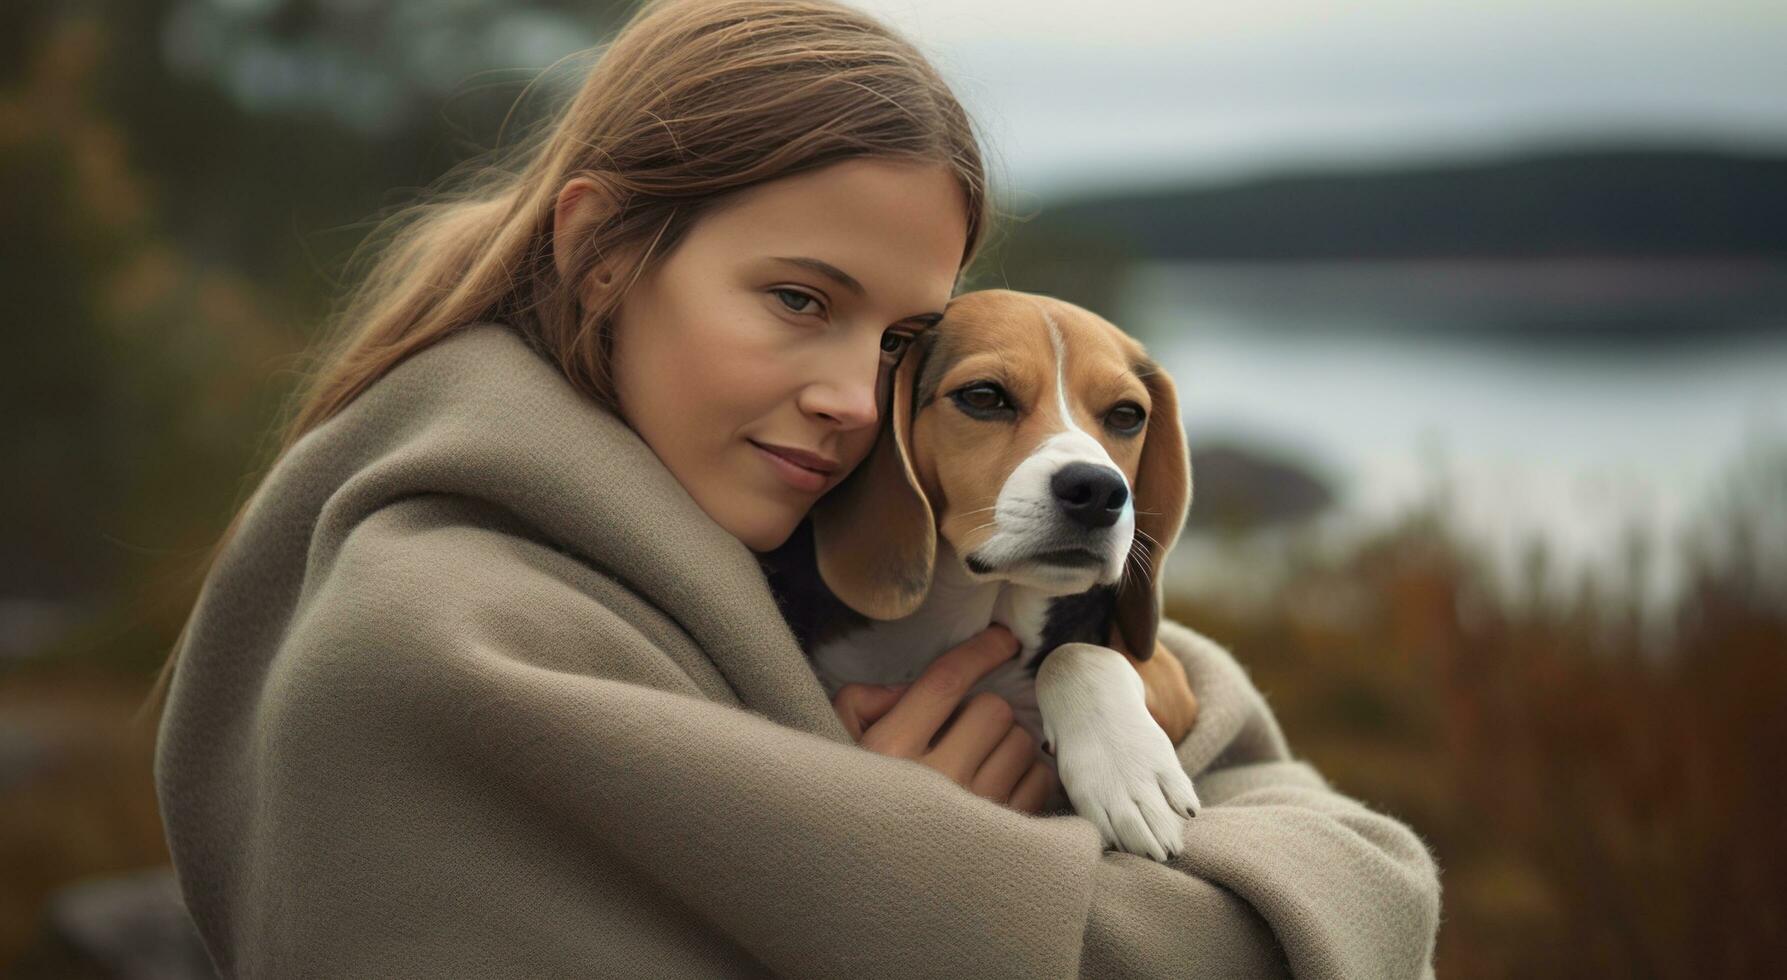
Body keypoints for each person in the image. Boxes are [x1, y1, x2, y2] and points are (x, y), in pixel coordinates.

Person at [147, 0, 1441, 976]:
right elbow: (1266, 919)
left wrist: (1082, 677)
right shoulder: (437, 633)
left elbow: (1336, 835)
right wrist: (910, 845)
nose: (850, 396)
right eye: (797, 299)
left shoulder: (811, 554)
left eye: (899, 341)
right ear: (602, 253)